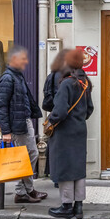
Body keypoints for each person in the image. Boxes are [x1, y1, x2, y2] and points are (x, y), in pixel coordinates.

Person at [0, 47, 47, 204]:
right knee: (24, 157)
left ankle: (27, 190)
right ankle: (22, 191)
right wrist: (6, 131)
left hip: (23, 121)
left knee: (30, 154)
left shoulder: (17, 77)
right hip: (16, 126)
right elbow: (1, 106)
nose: (26, 61)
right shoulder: (7, 78)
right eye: (22, 58)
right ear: (13, 60)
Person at [47, 48, 94, 219]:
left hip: (64, 132)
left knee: (65, 167)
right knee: (78, 167)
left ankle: (66, 206)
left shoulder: (67, 83)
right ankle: (79, 207)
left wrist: (51, 121)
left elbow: (59, 111)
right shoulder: (85, 82)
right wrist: (79, 119)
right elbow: (90, 109)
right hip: (80, 130)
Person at [42, 49, 67, 181]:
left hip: (54, 114)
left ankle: (52, 172)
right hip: (63, 115)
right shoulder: (67, 77)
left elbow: (46, 97)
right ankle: (60, 177)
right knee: (63, 148)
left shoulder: (52, 75)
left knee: (54, 145)